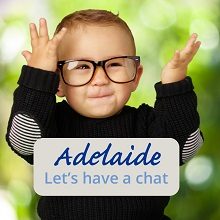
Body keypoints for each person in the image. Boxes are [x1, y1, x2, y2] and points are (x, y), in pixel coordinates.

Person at [6, 9, 204, 220]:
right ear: (58, 82)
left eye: (115, 64)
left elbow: (184, 148)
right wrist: (38, 77)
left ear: (135, 77)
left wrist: (175, 86)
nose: (99, 78)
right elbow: (24, 140)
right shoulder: (51, 124)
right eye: (82, 66)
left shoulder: (146, 123)